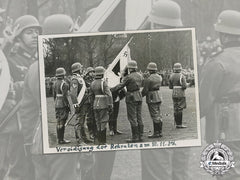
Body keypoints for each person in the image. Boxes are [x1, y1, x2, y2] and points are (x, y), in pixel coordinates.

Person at [200, 10, 240, 179]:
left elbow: (203, 102)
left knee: (226, 173)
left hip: (225, 125)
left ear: (223, 36)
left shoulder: (217, 61)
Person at [111, 60, 144, 142]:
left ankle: (135, 137)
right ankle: (140, 135)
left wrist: (110, 89)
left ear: (129, 68)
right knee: (139, 116)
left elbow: (120, 86)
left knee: (132, 117)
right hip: (139, 96)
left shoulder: (129, 77)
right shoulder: (140, 75)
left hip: (131, 97)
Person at [69, 62, 93, 144]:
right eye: (81, 68)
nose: (82, 69)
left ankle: (84, 138)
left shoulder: (79, 78)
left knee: (82, 122)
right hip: (80, 103)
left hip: (84, 102)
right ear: (78, 69)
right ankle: (79, 140)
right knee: (79, 122)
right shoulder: (75, 79)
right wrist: (76, 104)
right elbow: (73, 93)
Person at [90, 66, 113, 145]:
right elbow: (109, 94)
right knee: (103, 122)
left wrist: (92, 104)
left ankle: (98, 140)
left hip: (95, 104)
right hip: (103, 104)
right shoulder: (103, 83)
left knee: (98, 122)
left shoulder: (92, 83)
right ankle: (103, 141)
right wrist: (110, 104)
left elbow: (91, 95)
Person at [142, 62, 163, 138]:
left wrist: (140, 95)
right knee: (158, 114)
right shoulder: (159, 77)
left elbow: (145, 90)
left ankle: (156, 132)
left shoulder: (149, 79)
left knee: (154, 114)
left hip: (151, 96)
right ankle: (159, 131)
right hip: (158, 95)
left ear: (149, 70)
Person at [53, 67, 71, 144]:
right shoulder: (64, 84)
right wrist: (68, 105)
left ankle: (59, 139)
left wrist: (56, 102)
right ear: (63, 74)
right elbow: (65, 96)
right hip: (63, 103)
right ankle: (61, 139)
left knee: (58, 121)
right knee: (62, 121)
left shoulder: (54, 83)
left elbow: (54, 95)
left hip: (57, 102)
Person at [169, 62, 187, 128]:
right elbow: (184, 86)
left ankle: (176, 123)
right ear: (180, 69)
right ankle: (179, 124)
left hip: (174, 92)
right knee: (180, 108)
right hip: (180, 93)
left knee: (175, 108)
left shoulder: (171, 76)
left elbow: (170, 87)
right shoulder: (182, 76)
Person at [83, 66, 96, 140]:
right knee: (90, 117)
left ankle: (94, 132)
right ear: (88, 73)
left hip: (93, 99)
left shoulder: (93, 79)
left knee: (94, 116)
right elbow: (90, 87)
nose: (93, 73)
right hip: (88, 100)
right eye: (91, 72)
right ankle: (91, 132)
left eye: (93, 72)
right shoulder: (86, 80)